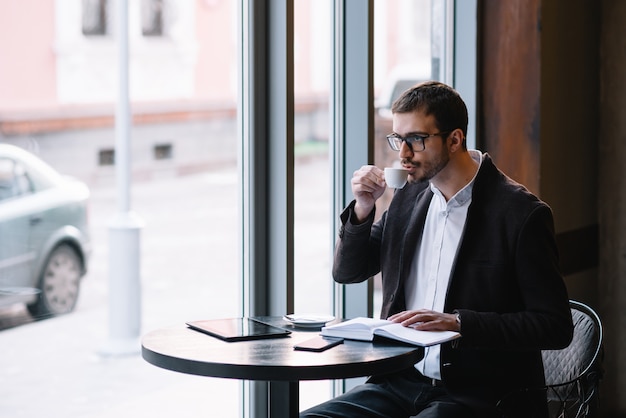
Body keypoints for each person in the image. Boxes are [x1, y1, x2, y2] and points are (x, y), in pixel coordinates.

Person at [300, 81, 573, 418]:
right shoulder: (408, 197)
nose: (403, 154)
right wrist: (362, 208)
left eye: (415, 139)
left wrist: (459, 323)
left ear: (454, 139)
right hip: (398, 383)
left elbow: (555, 326)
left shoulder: (520, 214)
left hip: (479, 394)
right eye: (398, 139)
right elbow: (348, 272)